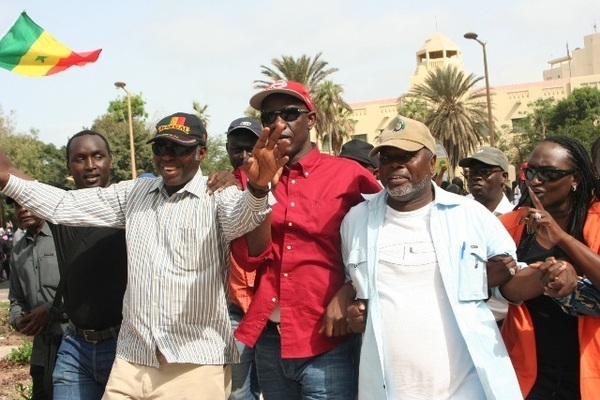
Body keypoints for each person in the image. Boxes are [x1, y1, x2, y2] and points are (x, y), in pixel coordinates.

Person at [0, 112, 290, 399]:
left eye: (179, 148)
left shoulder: (218, 194)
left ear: (201, 152)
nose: (167, 156)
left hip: (193, 365)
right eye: (160, 147)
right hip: (132, 361)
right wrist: (6, 178)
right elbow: (63, 204)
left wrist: (257, 188)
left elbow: (245, 219)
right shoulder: (135, 193)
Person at [341, 115, 522, 399]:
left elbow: (513, 277)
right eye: (387, 157)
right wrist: (352, 306)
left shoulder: (471, 215)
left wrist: (529, 273)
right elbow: (353, 286)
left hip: (467, 388)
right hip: (389, 388)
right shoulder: (357, 220)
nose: (395, 165)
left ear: (432, 164)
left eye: (407, 156)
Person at [232, 80, 382, 399]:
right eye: (269, 116)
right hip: (270, 341)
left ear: (310, 119)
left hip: (328, 343)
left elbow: (384, 239)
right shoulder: (253, 175)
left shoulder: (349, 175)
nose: (278, 123)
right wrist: (259, 189)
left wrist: (350, 288)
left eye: (290, 113)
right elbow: (251, 255)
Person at [498, 136, 600, 399]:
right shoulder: (512, 225)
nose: (534, 180)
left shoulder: (597, 219)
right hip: (531, 373)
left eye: (548, 173)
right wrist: (545, 275)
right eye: (530, 171)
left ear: (575, 179)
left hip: (590, 371)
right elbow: (506, 289)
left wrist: (562, 238)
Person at [8, 197, 62, 400]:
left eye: (27, 203)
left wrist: (50, 310)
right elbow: (16, 298)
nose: (22, 209)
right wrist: (18, 320)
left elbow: (80, 288)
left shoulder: (62, 237)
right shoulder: (18, 250)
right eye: (16, 205)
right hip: (42, 347)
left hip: (72, 340)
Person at [225, 117, 263, 400]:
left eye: (252, 148)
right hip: (235, 309)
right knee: (237, 393)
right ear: (227, 149)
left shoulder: (281, 183)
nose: (245, 156)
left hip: (273, 310)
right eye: (238, 149)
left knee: (276, 389)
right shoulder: (219, 187)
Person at [459, 146, 515, 323]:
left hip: (506, 322)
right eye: (472, 172)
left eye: (485, 171)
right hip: (462, 318)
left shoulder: (518, 219)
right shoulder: (455, 214)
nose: (476, 176)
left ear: (504, 177)